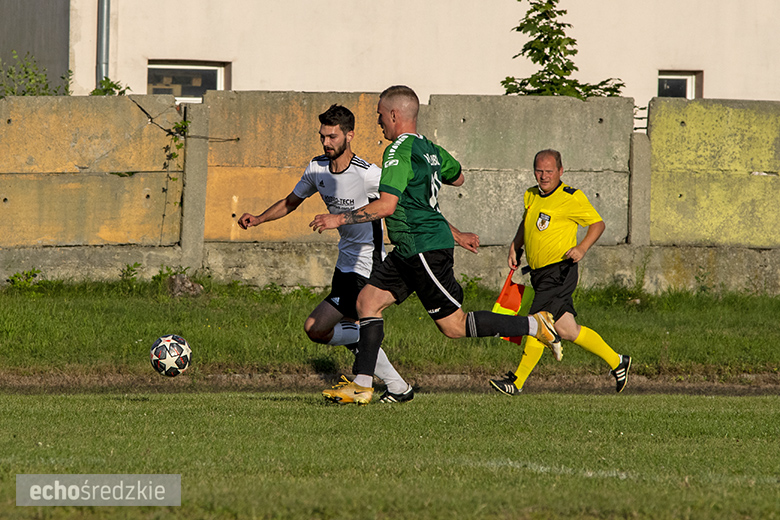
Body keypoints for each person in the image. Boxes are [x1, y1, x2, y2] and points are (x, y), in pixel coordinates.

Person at [310, 86, 561, 405]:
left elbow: (386, 206)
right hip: (408, 248)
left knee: (454, 327)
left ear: (393, 115)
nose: (378, 123)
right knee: (367, 303)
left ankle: (534, 324)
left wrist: (339, 219)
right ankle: (363, 384)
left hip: (423, 248)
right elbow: (458, 178)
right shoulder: (429, 148)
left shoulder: (398, 150)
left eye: (379, 116)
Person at [237, 104, 413, 404]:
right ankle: (398, 387)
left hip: (368, 263)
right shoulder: (316, 168)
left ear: (350, 135)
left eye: (332, 137)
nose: (326, 143)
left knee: (336, 325)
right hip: (344, 263)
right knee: (317, 329)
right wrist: (259, 218)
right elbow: (291, 202)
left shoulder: (369, 174)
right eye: (322, 136)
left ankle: (376, 385)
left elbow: (398, 203)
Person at [489, 149, 632, 396]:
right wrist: (516, 245)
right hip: (539, 274)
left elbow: (598, 224)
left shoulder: (571, 197)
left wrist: (582, 248)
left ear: (561, 171)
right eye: (539, 171)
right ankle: (618, 361)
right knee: (567, 330)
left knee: (537, 322)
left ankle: (517, 381)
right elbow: (527, 223)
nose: (543, 176)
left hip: (560, 271)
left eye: (549, 171)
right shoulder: (531, 194)